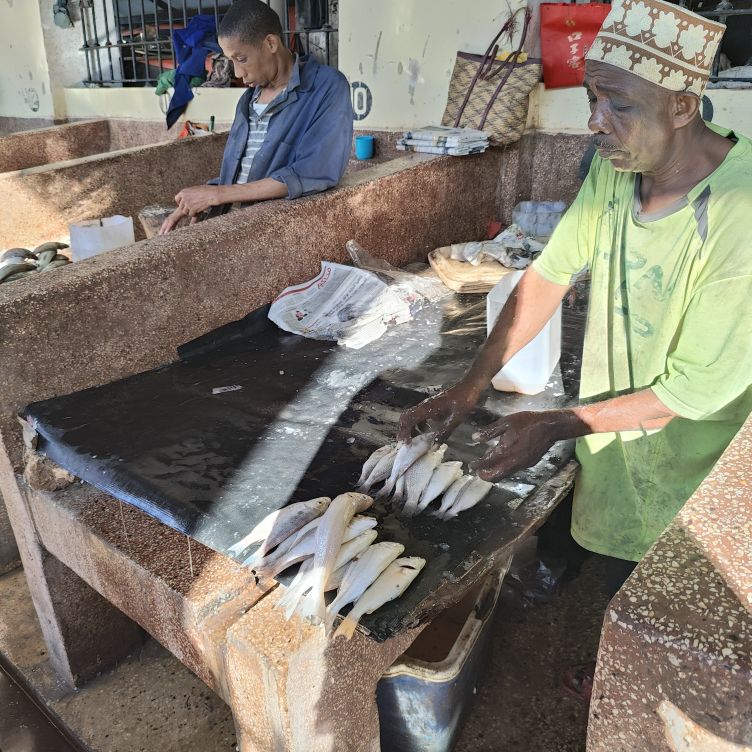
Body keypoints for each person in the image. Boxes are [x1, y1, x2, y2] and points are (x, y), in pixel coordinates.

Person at [400, 0, 752, 673]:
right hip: (611, 425)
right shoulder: (618, 171)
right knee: (601, 533)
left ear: (683, 106)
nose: (594, 121)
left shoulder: (741, 213)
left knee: (653, 611)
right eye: (592, 97)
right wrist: (469, 386)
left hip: (691, 459)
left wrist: (556, 422)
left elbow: (693, 392)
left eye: (618, 103)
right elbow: (548, 275)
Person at [159, 0, 353, 234]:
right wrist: (204, 196)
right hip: (232, 226)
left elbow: (314, 172)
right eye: (231, 60)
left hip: (277, 233)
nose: (237, 73)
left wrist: (218, 194)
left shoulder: (327, 87)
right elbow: (241, 175)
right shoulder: (248, 101)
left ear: (271, 43)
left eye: (241, 59)